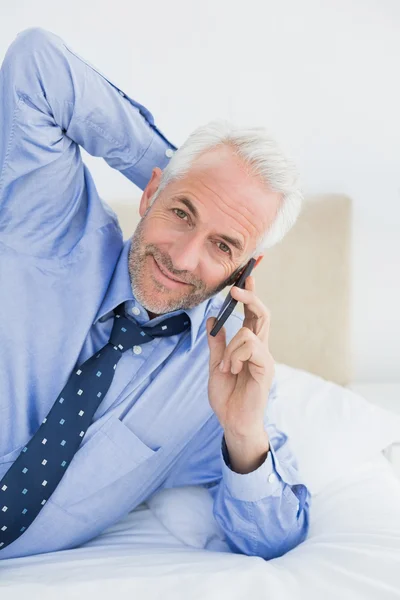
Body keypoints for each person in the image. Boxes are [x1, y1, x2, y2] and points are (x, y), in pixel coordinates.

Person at [0, 27, 310, 561]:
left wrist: (242, 432)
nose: (183, 257)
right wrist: (186, 170)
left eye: (222, 244)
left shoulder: (219, 385)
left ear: (245, 269)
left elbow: (274, 537)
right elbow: (38, 67)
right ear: (149, 191)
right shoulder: (51, 227)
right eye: (181, 212)